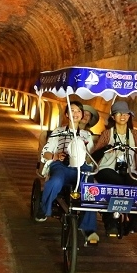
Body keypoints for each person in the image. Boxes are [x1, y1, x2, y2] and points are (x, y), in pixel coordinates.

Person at [36, 100, 99, 244]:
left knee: (90, 188)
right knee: (56, 181)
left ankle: (89, 228)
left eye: (78, 111)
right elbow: (46, 152)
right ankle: (44, 208)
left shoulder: (86, 135)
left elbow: (90, 157)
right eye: (72, 110)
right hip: (62, 166)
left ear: (81, 115)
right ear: (66, 114)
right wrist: (55, 156)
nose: (75, 114)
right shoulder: (58, 132)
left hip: (81, 168)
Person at [90, 100, 137, 236]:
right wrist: (106, 148)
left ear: (129, 116)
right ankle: (111, 221)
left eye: (126, 114)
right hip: (106, 169)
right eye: (119, 113)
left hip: (128, 170)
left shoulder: (135, 134)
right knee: (118, 182)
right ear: (113, 116)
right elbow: (95, 155)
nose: (123, 116)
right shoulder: (107, 134)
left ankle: (132, 219)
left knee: (133, 180)